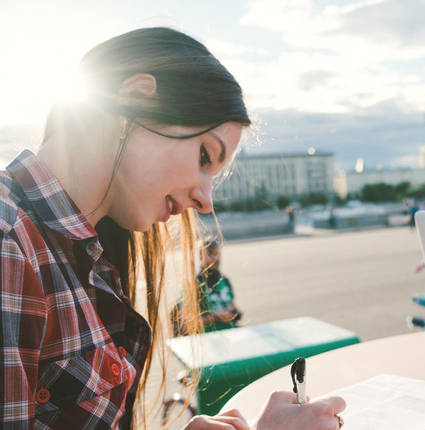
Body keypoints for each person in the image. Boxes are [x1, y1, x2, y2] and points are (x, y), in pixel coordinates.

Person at [0, 28, 345, 429]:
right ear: (135, 97)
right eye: (204, 156)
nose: (206, 200)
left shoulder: (80, 254)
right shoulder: (9, 244)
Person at [172, 240, 242, 336]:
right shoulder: (193, 285)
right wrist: (215, 317)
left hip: (232, 335)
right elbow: (185, 325)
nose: (215, 258)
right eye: (210, 254)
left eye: (217, 254)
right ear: (200, 257)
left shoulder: (224, 280)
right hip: (207, 339)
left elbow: (233, 306)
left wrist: (234, 313)